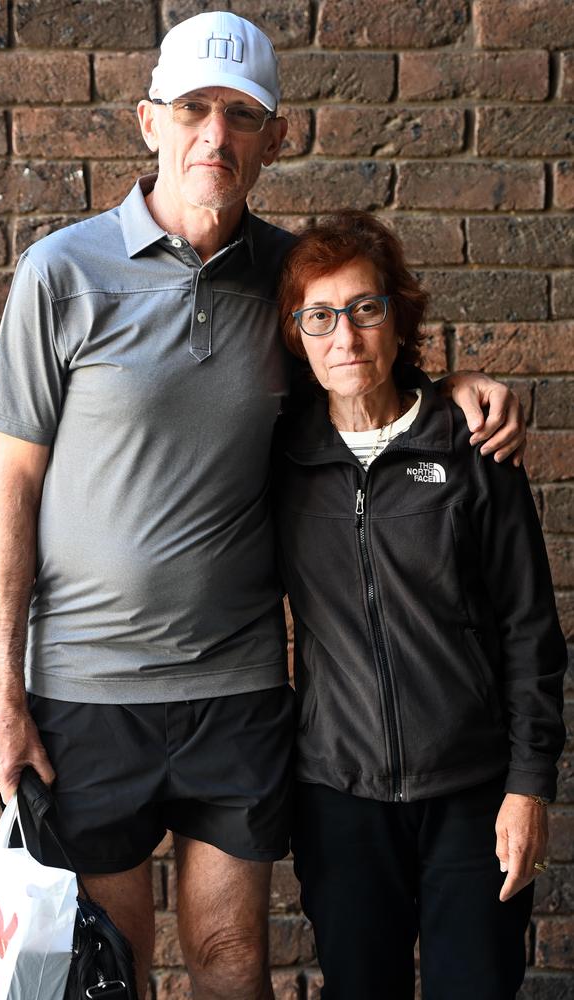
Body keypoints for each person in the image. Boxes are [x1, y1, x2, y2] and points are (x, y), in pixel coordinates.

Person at [0, 11, 527, 998]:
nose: (213, 136)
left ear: (274, 137)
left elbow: (360, 358)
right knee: (114, 965)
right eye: (193, 109)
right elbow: (12, 489)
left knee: (233, 959)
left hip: (232, 688)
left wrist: (451, 393)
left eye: (240, 115)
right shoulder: (61, 274)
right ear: (149, 120)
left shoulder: (287, 281)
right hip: (85, 692)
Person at [275, 211, 566, 1000]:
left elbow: (530, 629)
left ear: (398, 316)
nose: (346, 337)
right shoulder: (283, 462)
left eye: (366, 309)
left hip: (473, 796)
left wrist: (528, 784)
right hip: (340, 799)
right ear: (297, 335)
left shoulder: (473, 447)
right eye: (321, 317)